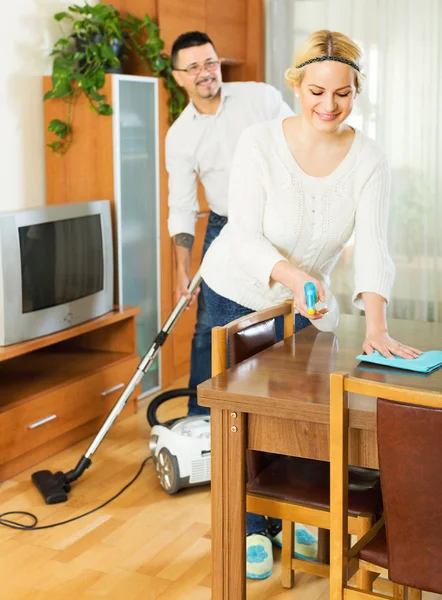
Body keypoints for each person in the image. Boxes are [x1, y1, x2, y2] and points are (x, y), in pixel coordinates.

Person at [200, 29, 422, 580]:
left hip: (305, 302)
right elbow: (245, 235)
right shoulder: (259, 142)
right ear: (297, 85)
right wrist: (295, 275)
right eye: (317, 91)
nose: (329, 105)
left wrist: (377, 326)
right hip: (239, 291)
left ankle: (297, 507)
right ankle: (255, 526)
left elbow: (373, 246)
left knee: (304, 410)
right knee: (245, 422)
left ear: (357, 90)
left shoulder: (369, 159)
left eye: (342, 93)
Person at [166, 31, 294, 415]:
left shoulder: (261, 98)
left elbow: (298, 145)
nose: (204, 73)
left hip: (278, 221)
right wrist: (182, 274)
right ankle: (200, 419)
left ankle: (278, 412)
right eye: (193, 67)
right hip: (225, 226)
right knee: (208, 324)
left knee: (283, 316)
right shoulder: (180, 136)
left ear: (218, 63)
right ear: (178, 77)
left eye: (210, 62)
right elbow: (183, 206)